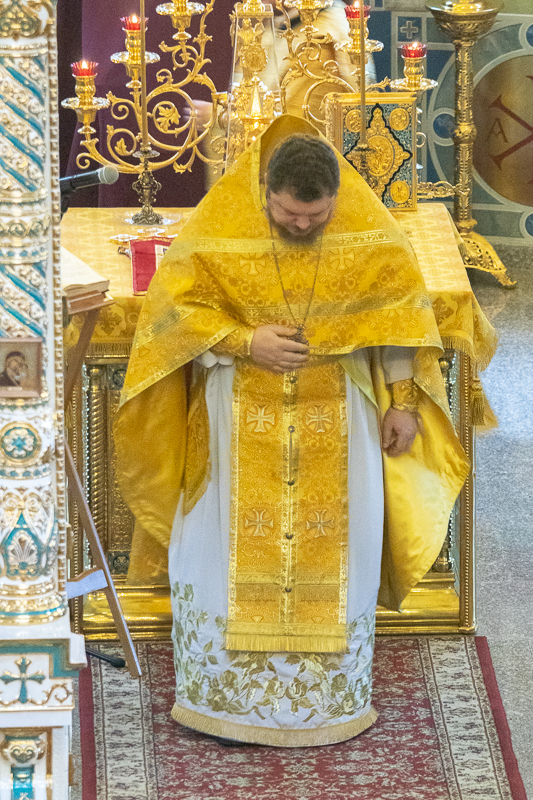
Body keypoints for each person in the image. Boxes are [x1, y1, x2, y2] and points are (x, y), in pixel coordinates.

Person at [115, 114, 469, 747]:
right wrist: (244, 340)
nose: (302, 226)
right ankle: (223, 699)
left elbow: (396, 322)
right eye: (287, 214)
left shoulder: (370, 236)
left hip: (341, 414)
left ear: (336, 198)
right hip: (236, 413)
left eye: (315, 215)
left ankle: (328, 702)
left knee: (342, 545)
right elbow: (174, 311)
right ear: (266, 193)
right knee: (221, 546)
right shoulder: (222, 226)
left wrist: (403, 403)